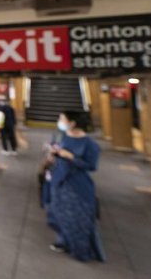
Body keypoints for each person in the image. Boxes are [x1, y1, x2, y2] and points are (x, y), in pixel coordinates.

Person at [45, 111, 105, 262]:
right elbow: (59, 155)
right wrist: (54, 155)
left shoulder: (90, 145)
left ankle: (80, 249)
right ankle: (63, 240)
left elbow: (91, 166)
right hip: (58, 180)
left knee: (77, 218)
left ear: (72, 123)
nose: (59, 121)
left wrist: (71, 157)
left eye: (62, 119)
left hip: (77, 185)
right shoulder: (63, 137)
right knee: (57, 213)